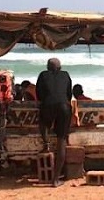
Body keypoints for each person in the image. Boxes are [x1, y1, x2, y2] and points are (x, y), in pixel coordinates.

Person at [36, 57, 73, 187]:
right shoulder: (66, 75)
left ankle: (46, 142)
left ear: (47, 67)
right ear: (60, 68)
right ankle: (56, 179)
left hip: (48, 106)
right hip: (64, 107)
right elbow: (69, 94)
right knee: (61, 141)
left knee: (42, 122)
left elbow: (39, 95)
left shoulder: (43, 75)